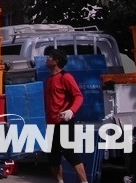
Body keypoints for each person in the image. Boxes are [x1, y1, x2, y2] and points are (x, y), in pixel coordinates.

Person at [44, 48, 87, 183]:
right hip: (51, 123)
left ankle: (84, 182)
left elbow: (78, 96)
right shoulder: (50, 79)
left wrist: (71, 111)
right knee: (52, 156)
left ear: (56, 61)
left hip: (64, 122)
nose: (47, 59)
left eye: (50, 57)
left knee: (69, 152)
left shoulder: (66, 77)